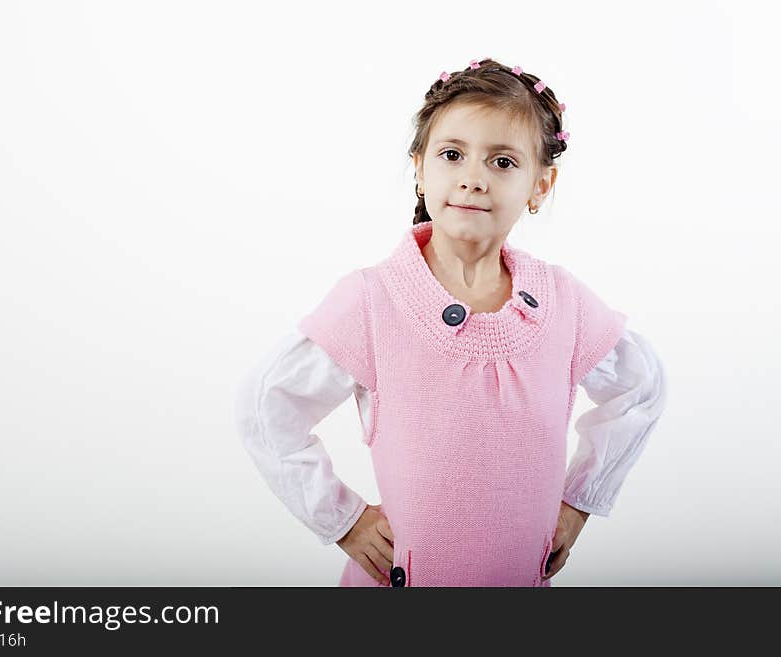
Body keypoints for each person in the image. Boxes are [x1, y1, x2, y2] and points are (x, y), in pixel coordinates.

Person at [234, 57, 668, 587]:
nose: (473, 179)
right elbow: (266, 405)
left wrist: (580, 500)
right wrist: (341, 519)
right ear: (419, 167)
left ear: (541, 185)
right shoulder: (373, 301)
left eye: (503, 162)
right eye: (452, 155)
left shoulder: (563, 302)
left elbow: (641, 388)